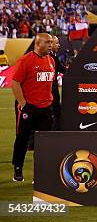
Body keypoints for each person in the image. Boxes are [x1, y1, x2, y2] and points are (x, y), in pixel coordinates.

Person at [11, 33, 55, 182]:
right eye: (48, 42)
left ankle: (40, 173)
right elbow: (15, 83)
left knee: (43, 143)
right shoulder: (25, 60)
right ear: (38, 44)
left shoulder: (51, 60)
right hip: (29, 108)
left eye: (51, 42)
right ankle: (18, 168)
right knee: (22, 139)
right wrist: (24, 105)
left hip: (46, 108)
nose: (51, 45)